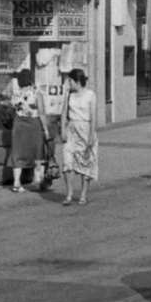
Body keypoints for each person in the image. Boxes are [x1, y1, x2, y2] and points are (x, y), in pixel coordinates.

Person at [59, 68, 98, 206]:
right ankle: (69, 193)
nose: (68, 83)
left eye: (70, 80)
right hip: (71, 130)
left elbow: (93, 117)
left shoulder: (90, 95)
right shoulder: (68, 95)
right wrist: (62, 130)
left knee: (85, 163)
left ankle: (83, 194)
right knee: (67, 161)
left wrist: (91, 136)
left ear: (77, 81)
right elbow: (64, 113)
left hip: (85, 129)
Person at [6, 69, 48, 193]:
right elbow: (41, 112)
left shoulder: (15, 94)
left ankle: (16, 183)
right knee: (37, 152)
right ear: (30, 78)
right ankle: (37, 180)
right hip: (33, 124)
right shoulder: (36, 93)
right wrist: (45, 128)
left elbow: (12, 107)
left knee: (17, 153)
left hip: (18, 124)